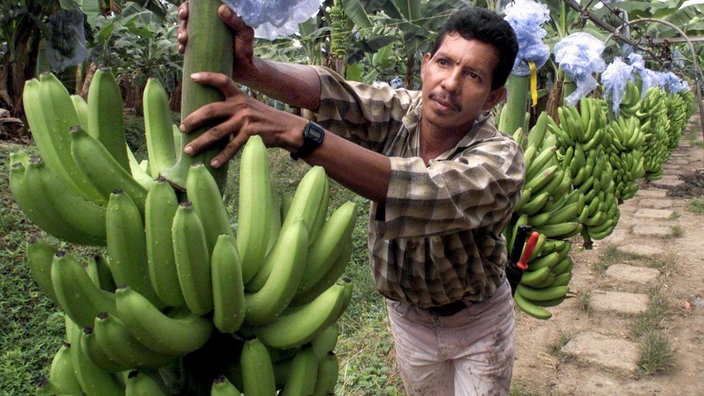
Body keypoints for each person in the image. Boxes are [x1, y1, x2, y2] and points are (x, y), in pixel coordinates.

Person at [177, 4, 522, 395]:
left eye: (472, 75)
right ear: (426, 64)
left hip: (477, 323)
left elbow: (421, 192)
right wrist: (249, 67)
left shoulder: (499, 161)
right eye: (444, 62)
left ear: (493, 97)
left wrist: (298, 133)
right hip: (409, 319)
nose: (450, 83)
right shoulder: (404, 112)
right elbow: (333, 93)